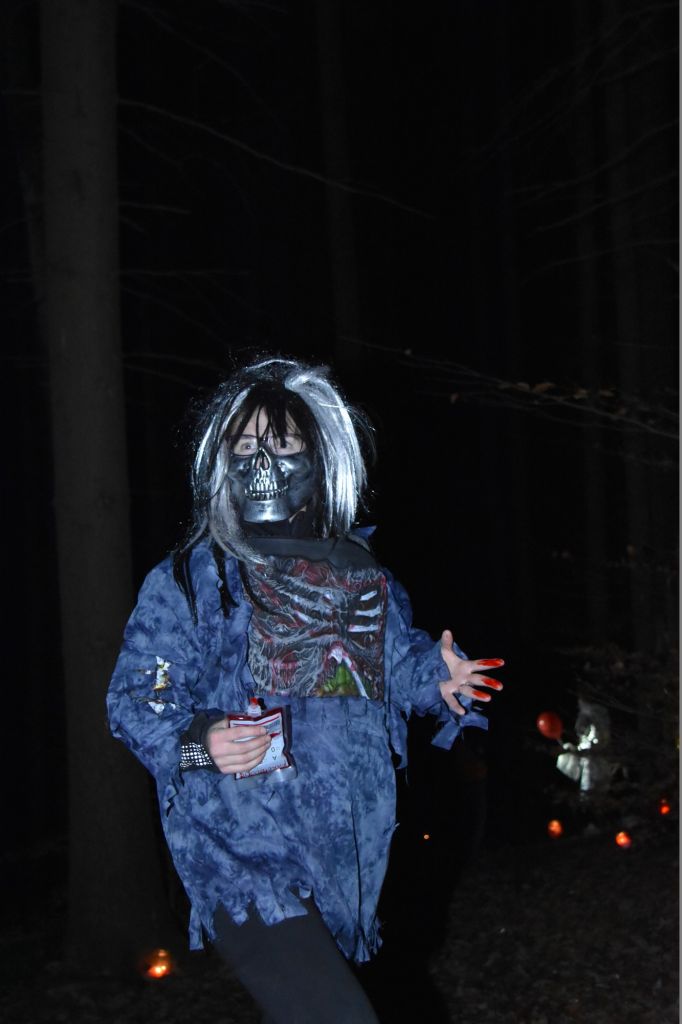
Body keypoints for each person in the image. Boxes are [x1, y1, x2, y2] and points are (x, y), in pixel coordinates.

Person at [107, 356, 503, 1023]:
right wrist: (202, 742)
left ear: (318, 459)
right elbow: (139, 696)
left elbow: (396, 664)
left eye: (283, 444)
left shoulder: (359, 574)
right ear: (222, 463)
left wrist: (442, 677)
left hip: (346, 855)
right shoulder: (196, 579)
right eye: (245, 447)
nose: (263, 462)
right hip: (242, 854)